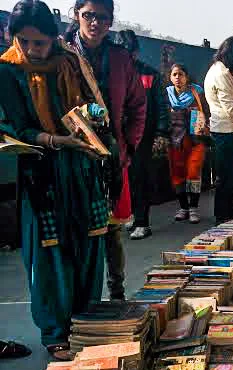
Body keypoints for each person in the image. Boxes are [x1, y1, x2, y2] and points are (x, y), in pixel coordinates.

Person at [1, 0, 109, 357]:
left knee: (89, 244)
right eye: (25, 42)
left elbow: (91, 104)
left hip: (82, 167)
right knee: (51, 254)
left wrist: (94, 116)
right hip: (42, 173)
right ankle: (55, 333)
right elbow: (15, 127)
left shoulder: (71, 63)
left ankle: (85, 322)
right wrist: (53, 140)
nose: (32, 50)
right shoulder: (7, 71)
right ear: (13, 37)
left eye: (40, 43)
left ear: (53, 39)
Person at [63, 0, 146, 301]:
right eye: (88, 16)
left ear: (111, 22)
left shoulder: (120, 58)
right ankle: (84, 300)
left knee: (113, 232)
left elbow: (138, 105)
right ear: (76, 16)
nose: (95, 22)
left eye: (102, 17)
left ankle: (117, 294)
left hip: (113, 155)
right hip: (73, 155)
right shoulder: (63, 56)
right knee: (80, 232)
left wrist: (130, 145)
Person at [117, 29, 169, 240]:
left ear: (136, 53)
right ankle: (130, 215)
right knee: (123, 180)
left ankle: (142, 222)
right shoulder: (111, 75)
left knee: (140, 178)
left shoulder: (149, 75)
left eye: (130, 52)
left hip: (142, 137)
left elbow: (161, 107)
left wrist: (160, 133)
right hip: (118, 136)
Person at [204, 36, 233, 223]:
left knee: (230, 178)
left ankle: (227, 215)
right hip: (225, 131)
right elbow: (232, 110)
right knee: (225, 178)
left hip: (232, 130)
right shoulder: (221, 75)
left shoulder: (225, 71)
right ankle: (222, 217)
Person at [167, 63, 210, 224]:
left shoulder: (196, 92)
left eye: (181, 74)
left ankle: (193, 208)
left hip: (195, 140)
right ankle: (183, 208)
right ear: (170, 77)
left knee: (193, 173)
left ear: (187, 77)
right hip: (175, 141)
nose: (178, 78)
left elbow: (207, 110)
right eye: (175, 74)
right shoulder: (167, 94)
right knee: (177, 175)